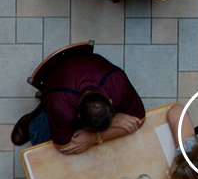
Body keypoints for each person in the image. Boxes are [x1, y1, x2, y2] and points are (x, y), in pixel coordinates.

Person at [11, 53, 146, 155]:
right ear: (79, 116)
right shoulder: (61, 105)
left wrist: (94, 137)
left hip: (86, 69)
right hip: (56, 90)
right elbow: (62, 145)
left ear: (110, 101)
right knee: (43, 142)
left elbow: (140, 118)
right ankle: (34, 118)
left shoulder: (117, 83)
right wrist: (112, 126)